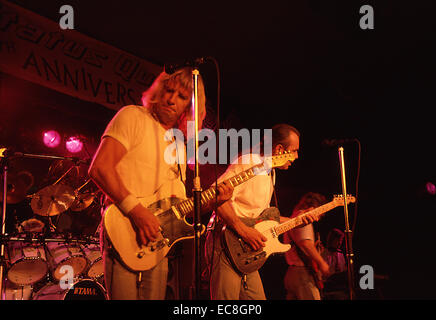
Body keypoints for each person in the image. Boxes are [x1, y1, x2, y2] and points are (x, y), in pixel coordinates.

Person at [88, 67, 233, 300]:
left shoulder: (179, 144)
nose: (171, 99)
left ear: (190, 107)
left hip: (157, 242)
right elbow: (100, 168)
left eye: (182, 96)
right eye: (168, 90)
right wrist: (137, 213)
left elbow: (178, 209)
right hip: (125, 229)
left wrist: (211, 202)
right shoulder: (133, 116)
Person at [205, 123, 319, 300]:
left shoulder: (270, 172)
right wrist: (244, 231)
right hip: (226, 245)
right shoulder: (249, 162)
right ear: (280, 149)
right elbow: (214, 196)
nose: (296, 156)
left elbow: (261, 219)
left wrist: (296, 220)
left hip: (245, 251)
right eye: (294, 150)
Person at [283, 192, 331, 300]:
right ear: (314, 208)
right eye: (320, 213)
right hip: (302, 274)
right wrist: (322, 263)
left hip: (291, 273)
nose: (319, 217)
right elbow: (306, 243)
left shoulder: (294, 216)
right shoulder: (304, 217)